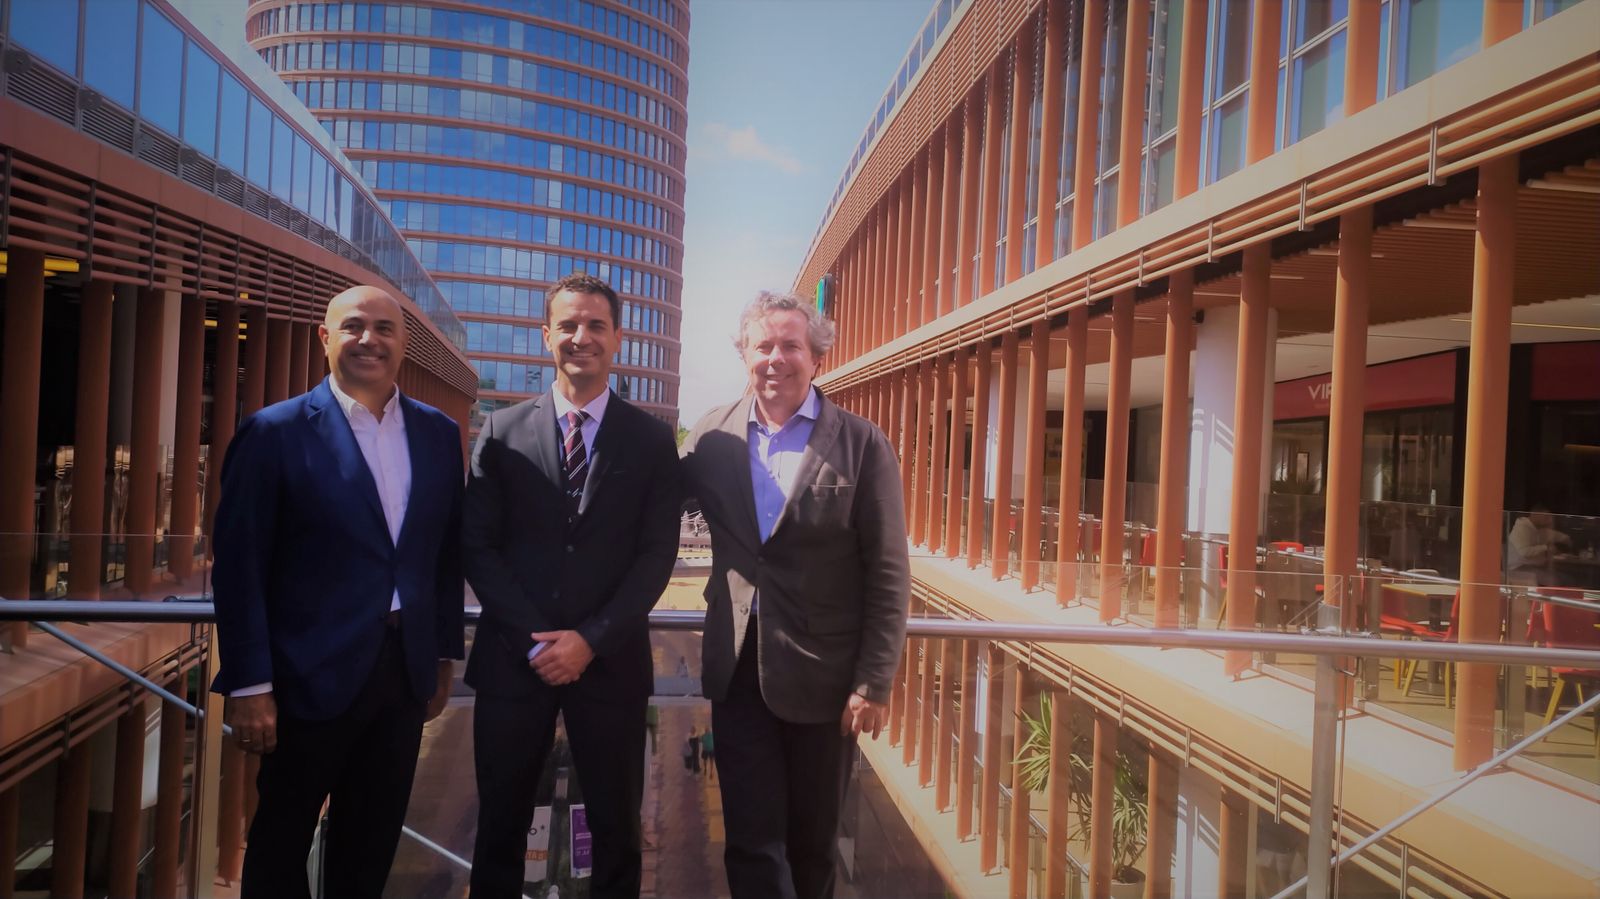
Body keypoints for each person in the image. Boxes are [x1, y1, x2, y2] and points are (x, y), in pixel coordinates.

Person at [210, 285, 464, 899]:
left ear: (403, 344)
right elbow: (239, 567)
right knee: (278, 851)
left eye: (384, 328)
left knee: (368, 852)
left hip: (402, 677)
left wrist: (442, 655)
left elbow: (443, 554)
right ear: (324, 338)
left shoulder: (437, 433)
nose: (368, 340)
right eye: (353, 327)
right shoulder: (273, 432)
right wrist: (249, 683)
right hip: (304, 679)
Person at [680, 291, 909, 899]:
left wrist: (874, 681)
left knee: (814, 845)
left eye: (791, 346)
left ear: (817, 358)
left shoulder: (862, 443)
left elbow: (888, 571)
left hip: (826, 678)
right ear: (744, 355)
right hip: (737, 670)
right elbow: (647, 506)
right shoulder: (711, 436)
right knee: (750, 843)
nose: (775, 358)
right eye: (763, 346)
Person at [464, 272, 680, 899]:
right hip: (514, 664)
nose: (581, 337)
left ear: (618, 339)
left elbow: (656, 555)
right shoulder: (501, 432)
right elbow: (477, 545)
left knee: (617, 834)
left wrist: (590, 640)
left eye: (595, 325)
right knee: (498, 830)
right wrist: (535, 640)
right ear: (546, 336)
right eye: (568, 325)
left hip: (609, 667)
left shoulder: (651, 439)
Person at [1507, 504, 1572, 586]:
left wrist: (1565, 538)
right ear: (1534, 514)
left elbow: (1552, 534)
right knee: (1555, 581)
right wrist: (1546, 547)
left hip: (1534, 566)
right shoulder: (1522, 528)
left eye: (1550, 517)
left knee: (1567, 578)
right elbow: (1524, 552)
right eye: (1546, 517)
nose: (1549, 520)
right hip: (1519, 567)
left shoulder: (1537, 528)